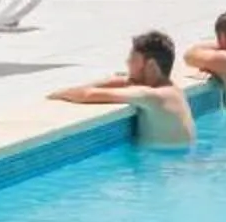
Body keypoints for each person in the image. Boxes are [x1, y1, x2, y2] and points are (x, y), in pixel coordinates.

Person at [49, 28, 194, 148]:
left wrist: (59, 93)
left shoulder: (153, 96)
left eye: (133, 59)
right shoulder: (171, 91)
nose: (127, 62)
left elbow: (87, 95)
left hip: (161, 166)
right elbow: (125, 82)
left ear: (150, 65)